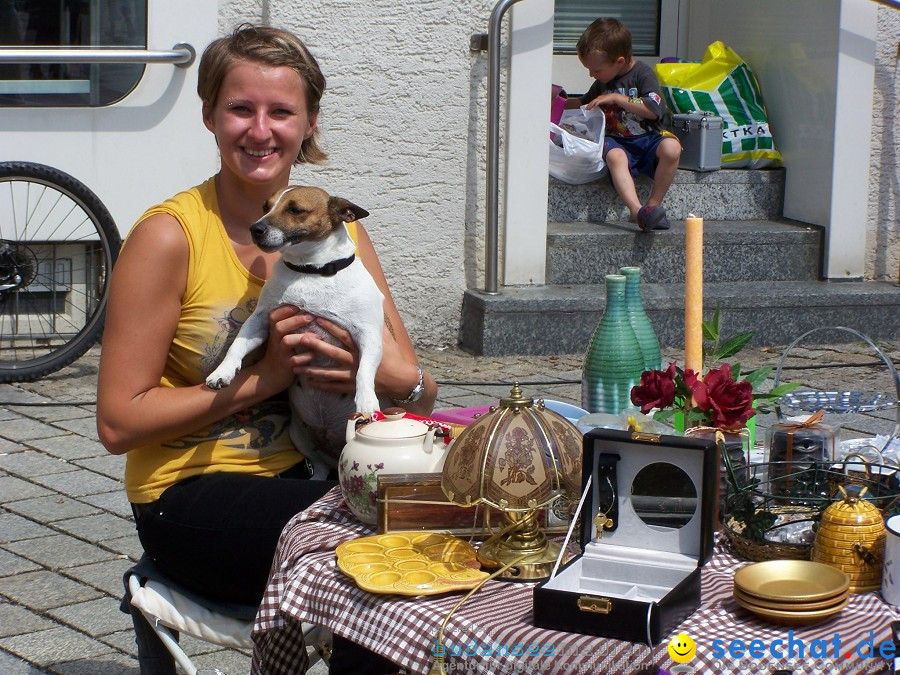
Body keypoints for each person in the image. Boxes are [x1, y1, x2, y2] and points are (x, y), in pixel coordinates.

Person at [96, 23, 436, 673]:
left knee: (453, 524)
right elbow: (118, 422)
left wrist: (398, 379)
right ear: (208, 116)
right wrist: (270, 376)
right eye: (239, 108)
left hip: (308, 475)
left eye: (281, 111)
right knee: (379, 553)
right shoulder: (169, 237)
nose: (260, 130)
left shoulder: (339, 236)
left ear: (308, 124)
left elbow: (416, 385)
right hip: (189, 491)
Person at [565, 18, 681, 232]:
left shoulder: (642, 74)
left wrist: (619, 99)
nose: (592, 75)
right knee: (615, 156)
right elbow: (584, 103)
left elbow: (653, 110)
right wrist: (559, 102)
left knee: (672, 148)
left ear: (619, 61)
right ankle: (638, 212)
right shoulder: (603, 81)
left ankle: (653, 206)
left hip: (647, 138)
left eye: (596, 70)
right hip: (616, 141)